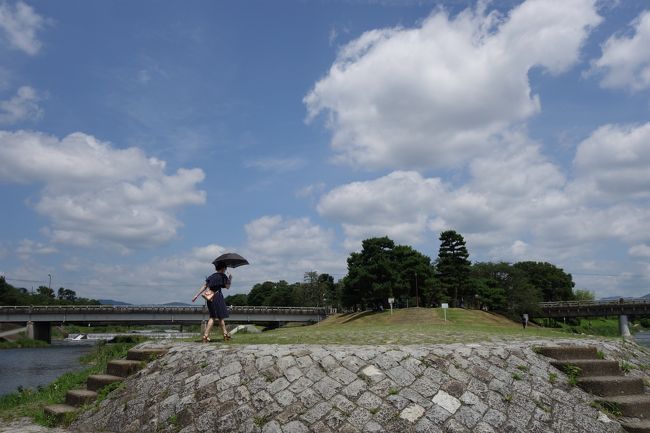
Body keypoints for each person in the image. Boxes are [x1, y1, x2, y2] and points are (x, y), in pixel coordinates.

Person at [192, 261, 232, 342]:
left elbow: (205, 286)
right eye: (225, 268)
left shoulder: (212, 276)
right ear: (223, 268)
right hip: (217, 297)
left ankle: (225, 334)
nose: (225, 269)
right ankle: (206, 336)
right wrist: (230, 279)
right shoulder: (223, 276)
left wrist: (196, 295)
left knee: (219, 316)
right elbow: (227, 287)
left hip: (209, 298)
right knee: (214, 317)